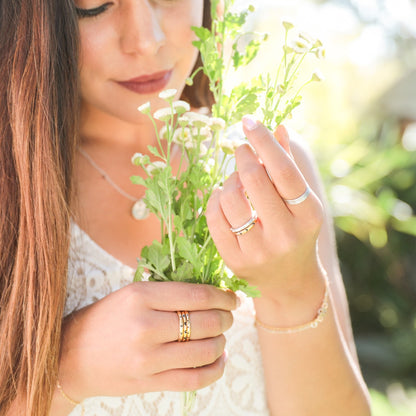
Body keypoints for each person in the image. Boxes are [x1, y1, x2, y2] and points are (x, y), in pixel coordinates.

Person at [0, 0, 372, 415]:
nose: (146, 40)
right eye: (96, 6)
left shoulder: (270, 173)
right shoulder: (13, 187)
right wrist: (66, 371)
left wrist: (292, 288)